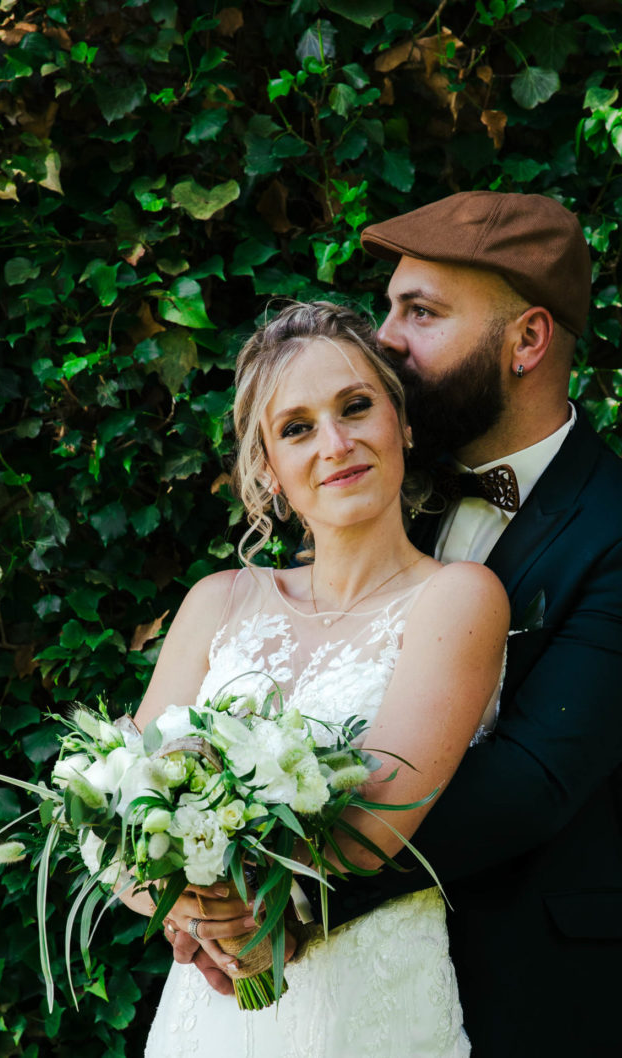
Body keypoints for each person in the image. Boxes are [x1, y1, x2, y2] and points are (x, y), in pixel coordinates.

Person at [173, 192, 622, 1057]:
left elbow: (531, 781)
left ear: (527, 341)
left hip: (532, 984)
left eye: (420, 312)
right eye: (387, 307)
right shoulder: (370, 484)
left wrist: (275, 893)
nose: (384, 339)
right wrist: (194, 889)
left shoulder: (612, 528)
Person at [125, 300, 510, 1057]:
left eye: (356, 407)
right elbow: (119, 819)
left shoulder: (458, 598)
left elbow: (375, 825)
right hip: (208, 1015)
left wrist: (249, 911)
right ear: (267, 466)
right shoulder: (217, 601)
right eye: (297, 428)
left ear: (401, 424)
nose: (335, 444)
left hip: (365, 1009)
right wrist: (187, 907)